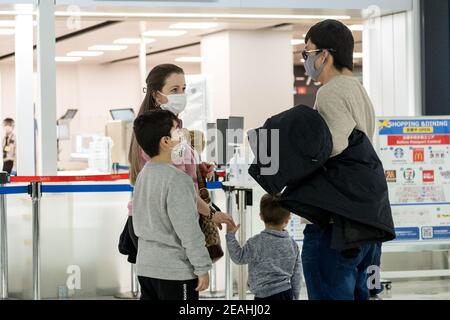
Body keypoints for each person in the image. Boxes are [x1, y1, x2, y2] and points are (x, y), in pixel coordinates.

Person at [300, 19, 379, 300]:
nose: (305, 59)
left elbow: (332, 147)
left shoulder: (331, 91)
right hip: (364, 221)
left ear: (324, 55)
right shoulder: (358, 89)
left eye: (307, 52)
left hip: (335, 227)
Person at [132, 109, 212, 300]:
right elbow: (188, 230)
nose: (182, 135)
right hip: (175, 272)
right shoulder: (178, 179)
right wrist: (202, 267)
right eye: (177, 130)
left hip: (146, 268)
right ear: (166, 141)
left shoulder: (144, 175)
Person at [226, 194, 302, 300]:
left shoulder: (255, 242)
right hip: (286, 293)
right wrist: (295, 296)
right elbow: (297, 275)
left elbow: (238, 258)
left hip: (263, 296)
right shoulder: (293, 244)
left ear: (261, 216)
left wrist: (230, 236)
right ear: (287, 220)